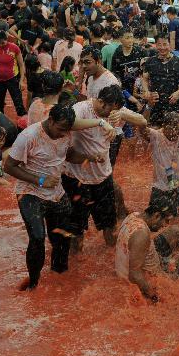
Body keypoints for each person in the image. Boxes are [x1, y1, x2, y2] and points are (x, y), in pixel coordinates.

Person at [3, 103, 110, 290]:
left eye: (67, 130)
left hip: (56, 193)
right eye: (60, 129)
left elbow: (69, 154)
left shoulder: (66, 133)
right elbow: (9, 166)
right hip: (30, 193)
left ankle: (59, 277)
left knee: (63, 236)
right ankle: (33, 284)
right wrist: (40, 180)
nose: (63, 134)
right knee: (37, 237)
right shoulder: (28, 136)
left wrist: (90, 158)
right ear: (50, 120)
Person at [63, 85, 146, 250]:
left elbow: (142, 121)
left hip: (103, 178)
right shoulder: (80, 108)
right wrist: (101, 122)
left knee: (110, 227)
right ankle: (75, 269)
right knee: (76, 231)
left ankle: (112, 263)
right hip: (77, 180)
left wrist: (122, 113)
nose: (111, 115)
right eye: (109, 111)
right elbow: (67, 123)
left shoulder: (115, 110)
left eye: (115, 111)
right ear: (101, 102)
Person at [114, 195, 172, 302]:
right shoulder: (142, 234)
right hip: (146, 283)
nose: (166, 225)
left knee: (175, 232)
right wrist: (155, 297)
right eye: (166, 220)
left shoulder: (133, 215)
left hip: (128, 271)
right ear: (157, 215)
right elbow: (135, 275)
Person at [0, 30, 27, 117]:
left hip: (13, 79)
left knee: (18, 104)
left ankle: (23, 124)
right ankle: (0, 124)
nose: (1, 45)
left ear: (6, 38)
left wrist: (22, 80)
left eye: (3, 43)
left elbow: (22, 65)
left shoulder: (15, 48)